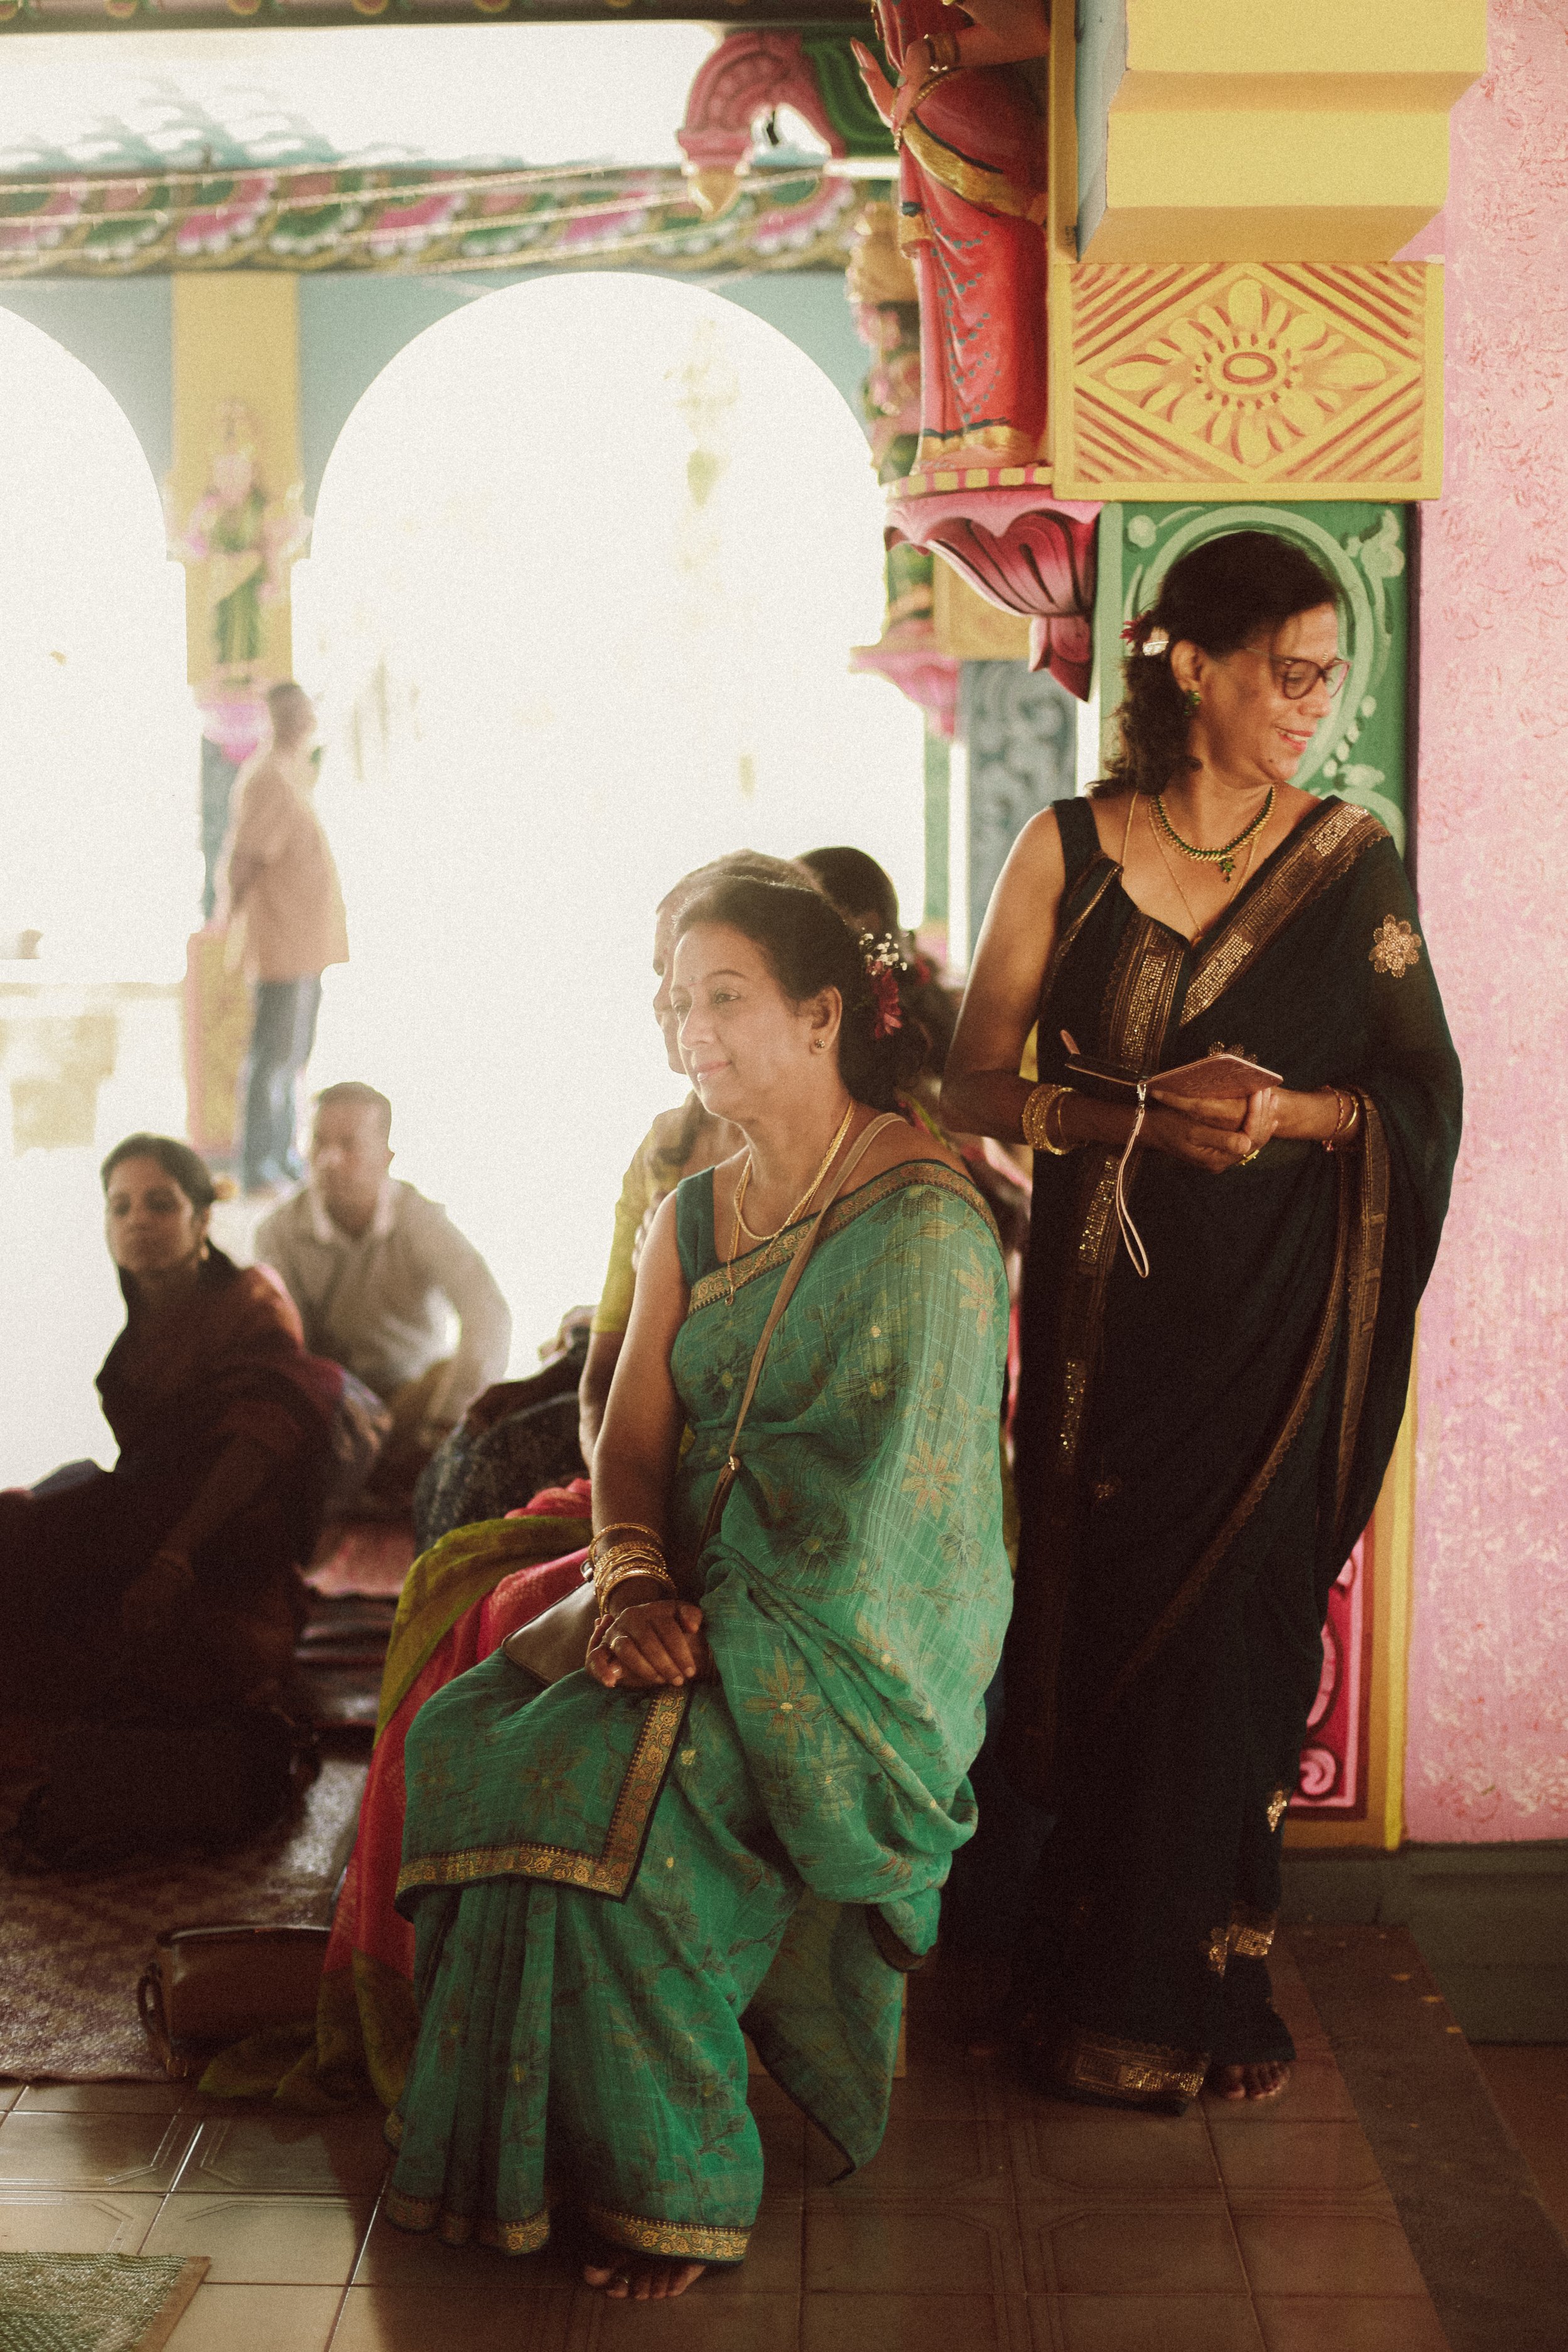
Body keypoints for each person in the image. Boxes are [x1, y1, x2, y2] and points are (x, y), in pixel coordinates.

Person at [384, 877, 1012, 2296]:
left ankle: (679, 2187)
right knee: (466, 1738)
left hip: (841, 1656)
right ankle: (530, 2154)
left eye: (722, 995)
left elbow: (894, 1529)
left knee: (624, 1821)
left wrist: (710, 1634)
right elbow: (633, 1440)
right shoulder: (688, 1213)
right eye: (677, 999)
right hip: (682, 1599)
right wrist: (629, 1583)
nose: (692, 1029)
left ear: (821, 1013)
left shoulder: (925, 1223)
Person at [941, 529, 1461, 2111]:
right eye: (1290, 672)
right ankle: (1076, 1986)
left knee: (1234, 1645)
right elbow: (967, 1080)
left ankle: (1206, 1997)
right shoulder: (1066, 849)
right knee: (1091, 1634)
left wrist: (1293, 1114)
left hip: (1277, 1339)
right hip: (1108, 1338)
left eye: (1329, 675)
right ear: (1191, 662)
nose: (1316, 704)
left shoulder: (1349, 859)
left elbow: (1417, 1092)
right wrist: (1133, 1120)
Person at [0, 1135, 347, 1722]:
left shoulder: (251, 1300)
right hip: (144, 1520)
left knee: (165, 1655)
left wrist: (171, 1559)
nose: (139, 1221)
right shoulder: (131, 1338)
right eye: (122, 1206)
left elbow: (264, 1430)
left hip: (226, 1547)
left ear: (202, 1218)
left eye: (160, 1204)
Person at [577, 850, 810, 1468]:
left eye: (721, 989)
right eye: (664, 973)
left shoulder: (871, 1156)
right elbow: (603, 1377)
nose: (663, 1001)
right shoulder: (663, 1149)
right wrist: (624, 1527)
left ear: (807, 1005)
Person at [257, 1083, 511, 1501]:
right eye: (319, 1143)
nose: (330, 1160)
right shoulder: (279, 1233)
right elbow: (288, 1347)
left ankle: (397, 1472)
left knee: (457, 1375)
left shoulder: (418, 1219)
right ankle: (378, 1479)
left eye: (349, 1145)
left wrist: (444, 1424)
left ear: (387, 1157)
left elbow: (488, 1311)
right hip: (334, 1406)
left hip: (413, 1404)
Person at [854, 0, 1051, 468]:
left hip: (974, 124)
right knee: (950, 298)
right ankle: (965, 435)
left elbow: (1028, 34)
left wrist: (929, 57)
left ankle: (1003, 431)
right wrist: (904, 98)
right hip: (937, 128)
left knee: (993, 277)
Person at [216, 682, 349, 1196]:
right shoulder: (267, 777)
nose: (301, 722)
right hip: (280, 942)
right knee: (271, 1057)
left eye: (305, 712)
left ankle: (284, 1155)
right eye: (289, 714)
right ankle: (258, 1164)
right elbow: (245, 859)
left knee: (294, 1057)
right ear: (274, 718)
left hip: (308, 943)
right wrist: (229, 925)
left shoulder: (297, 770)